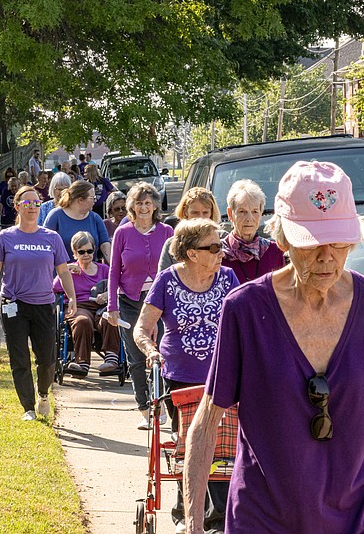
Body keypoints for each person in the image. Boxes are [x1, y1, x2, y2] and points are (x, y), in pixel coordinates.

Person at [183, 161, 364, 533]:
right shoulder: (244, 310)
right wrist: (194, 525)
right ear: (281, 240)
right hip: (264, 519)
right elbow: (207, 419)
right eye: (311, 243)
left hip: (359, 518)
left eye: (339, 242)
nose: (327, 256)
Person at [135, 218, 239, 532]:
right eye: (214, 246)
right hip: (180, 378)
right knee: (190, 445)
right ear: (192, 253)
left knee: (223, 446)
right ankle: (185, 515)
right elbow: (142, 327)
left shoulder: (228, 278)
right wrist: (150, 350)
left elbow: (246, 321)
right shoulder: (167, 281)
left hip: (222, 375)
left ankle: (217, 518)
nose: (222, 251)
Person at [0, 186, 77, 421]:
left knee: (46, 358)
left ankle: (43, 393)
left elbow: (63, 272)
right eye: (27, 203)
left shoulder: (51, 238)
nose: (32, 207)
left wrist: (72, 297)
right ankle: (28, 408)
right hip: (13, 304)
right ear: (17, 206)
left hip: (43, 304)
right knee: (19, 356)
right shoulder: (5, 238)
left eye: (36, 203)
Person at [106, 182, 174, 429]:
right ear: (131, 206)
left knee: (165, 355)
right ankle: (145, 408)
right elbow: (114, 271)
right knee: (136, 358)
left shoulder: (167, 232)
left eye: (148, 203)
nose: (144, 207)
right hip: (130, 301)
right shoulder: (123, 233)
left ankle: (165, 404)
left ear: (155, 205)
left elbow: (175, 269)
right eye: (139, 203)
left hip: (161, 303)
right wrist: (112, 306)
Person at [53, 231, 121, 376]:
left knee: (110, 318)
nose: (86, 255)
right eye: (81, 251)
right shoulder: (68, 270)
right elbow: (54, 288)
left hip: (101, 305)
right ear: (74, 253)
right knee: (82, 321)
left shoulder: (104, 270)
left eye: (89, 251)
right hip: (79, 306)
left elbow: (117, 286)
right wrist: (66, 270)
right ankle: (82, 362)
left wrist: (107, 294)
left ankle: (112, 359)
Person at [221, 179, 285, 283]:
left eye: (255, 211)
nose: (249, 218)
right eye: (242, 211)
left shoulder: (274, 252)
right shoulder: (219, 254)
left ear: (261, 213)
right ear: (230, 213)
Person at [44, 180, 111, 263]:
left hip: (89, 273)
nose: (95, 201)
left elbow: (104, 244)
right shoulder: (55, 216)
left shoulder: (95, 218)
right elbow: (45, 246)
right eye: (92, 198)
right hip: (62, 273)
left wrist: (112, 265)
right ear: (80, 200)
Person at [158, 187, 222, 271]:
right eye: (195, 213)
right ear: (185, 212)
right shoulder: (173, 243)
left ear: (211, 213)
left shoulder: (222, 239)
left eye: (205, 213)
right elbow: (163, 278)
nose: (200, 218)